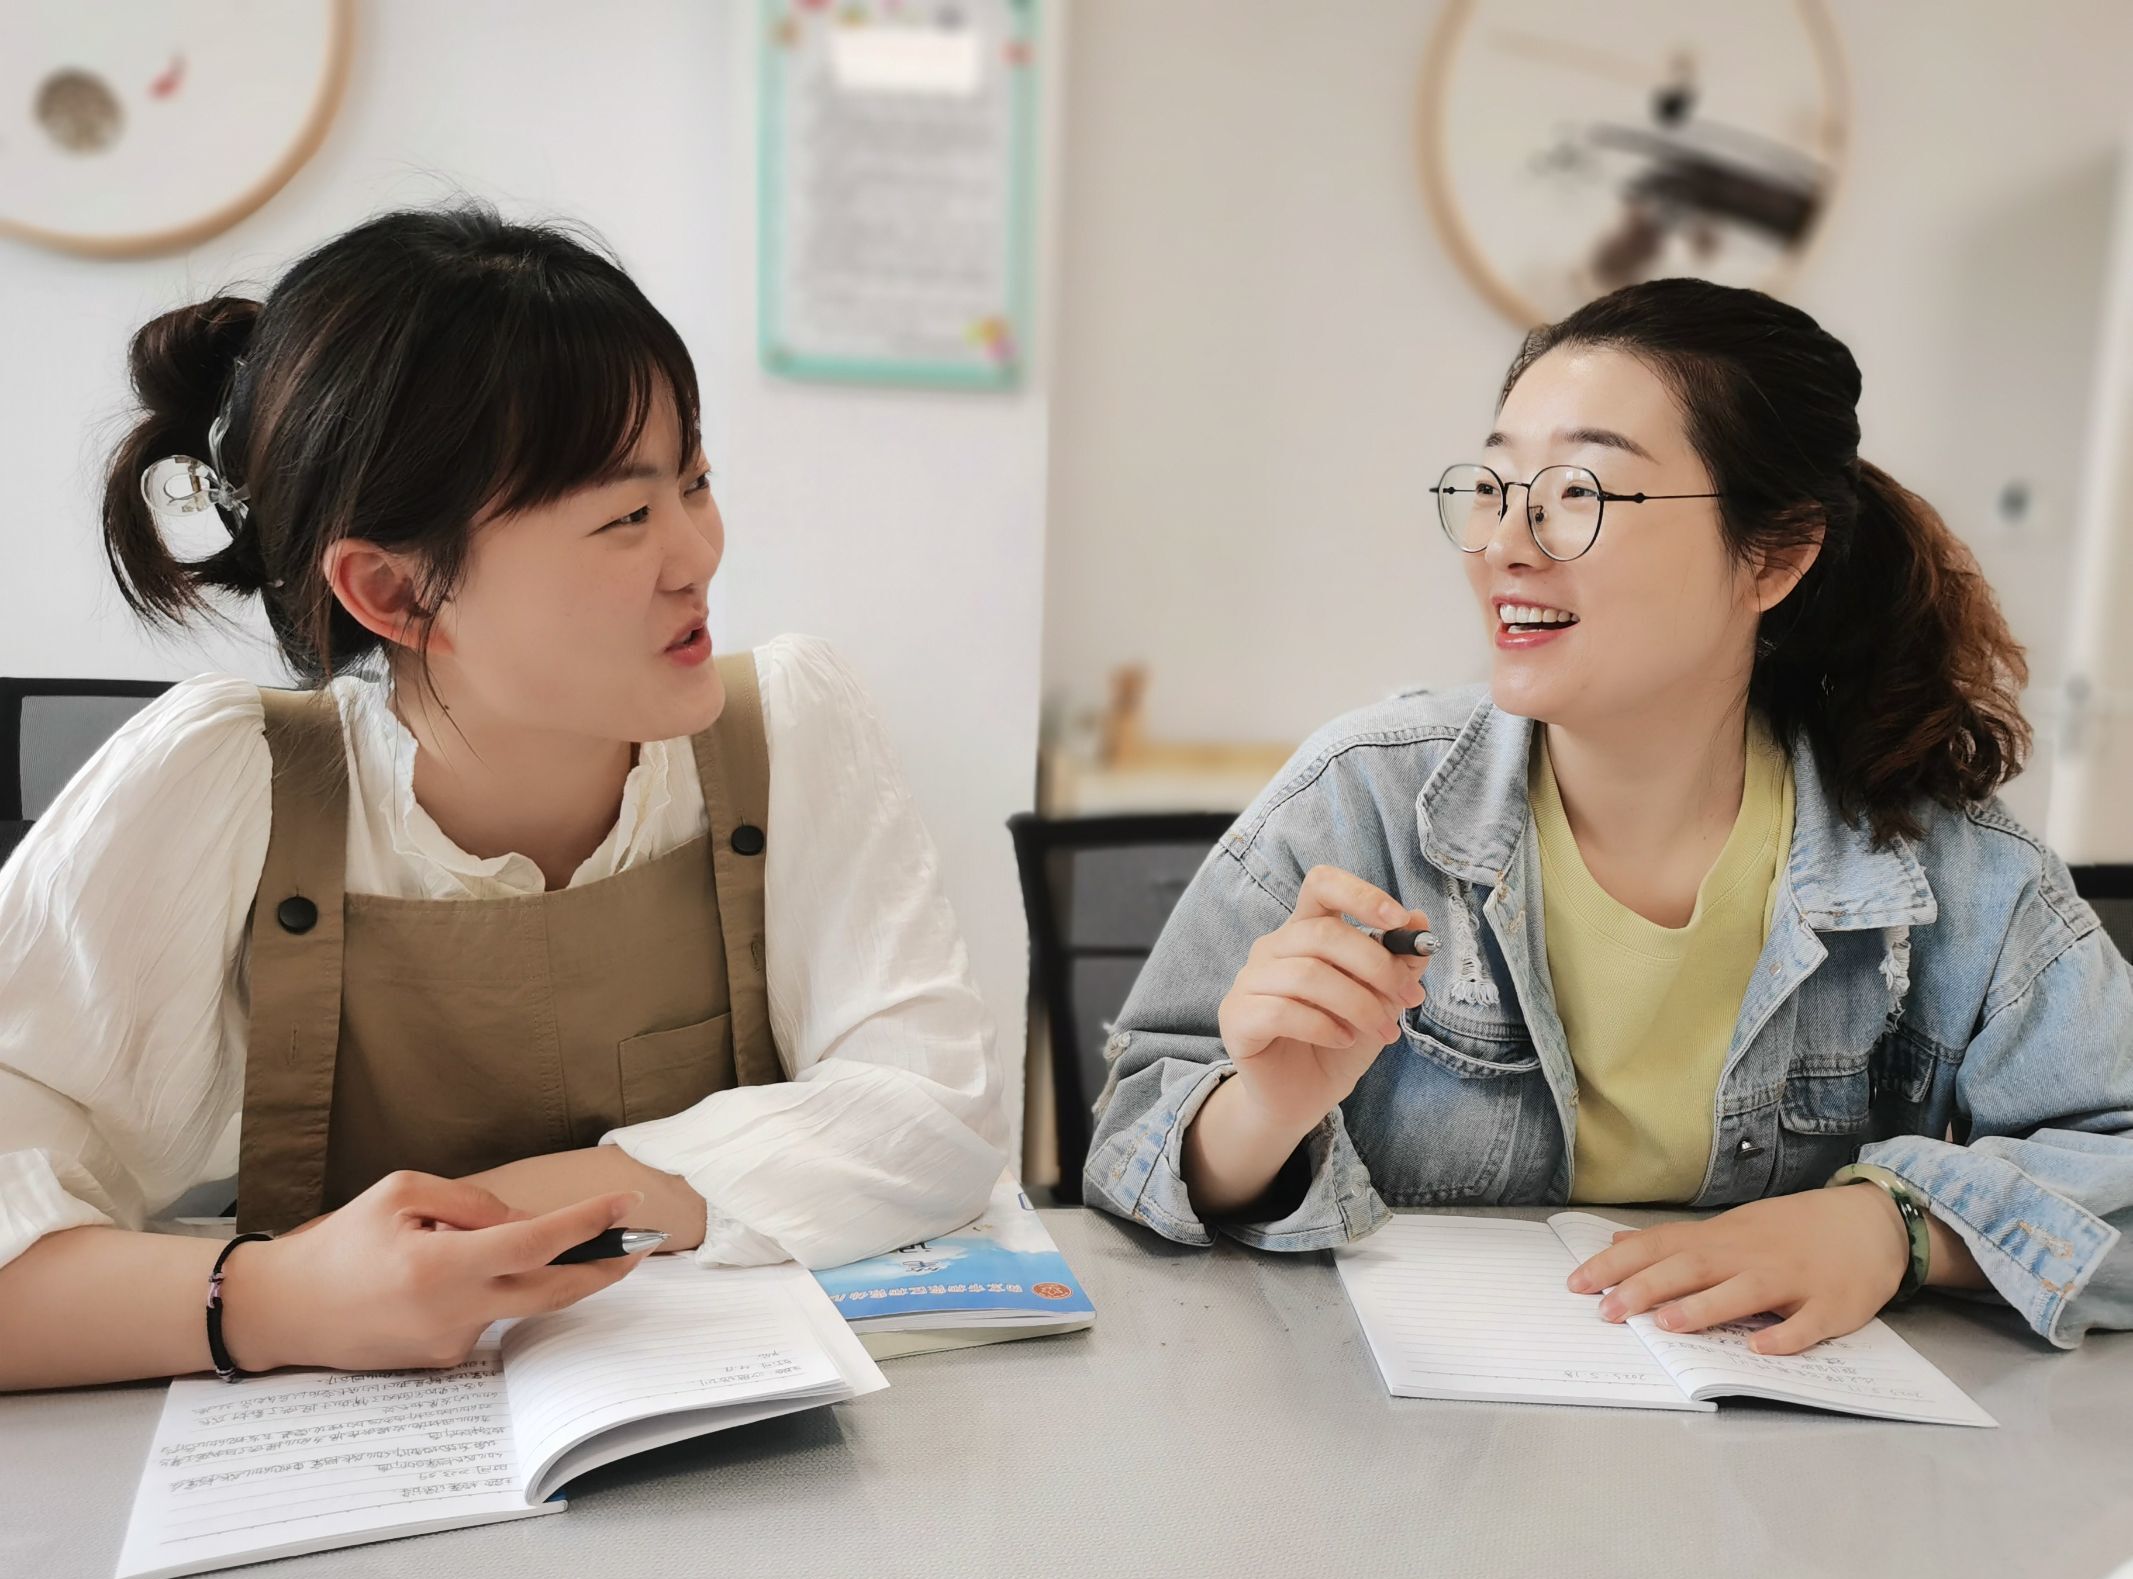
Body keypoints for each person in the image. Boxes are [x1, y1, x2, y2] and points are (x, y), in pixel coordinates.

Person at [0, 205, 1006, 1390]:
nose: (698, 553)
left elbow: (932, 1118)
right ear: (395, 590)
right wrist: (282, 1298)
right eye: (627, 516)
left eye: (694, 479)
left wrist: (491, 1222)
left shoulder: (787, 727)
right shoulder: (222, 783)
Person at [1086, 278, 2132, 1352]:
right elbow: (1127, 1139)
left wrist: (1891, 1228)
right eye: (1494, 487)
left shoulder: (1945, 865)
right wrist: (1264, 1111)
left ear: (1774, 555)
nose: (1507, 542)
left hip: (1776, 1475)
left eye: (1580, 493)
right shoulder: (1360, 799)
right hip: (1412, 1465)